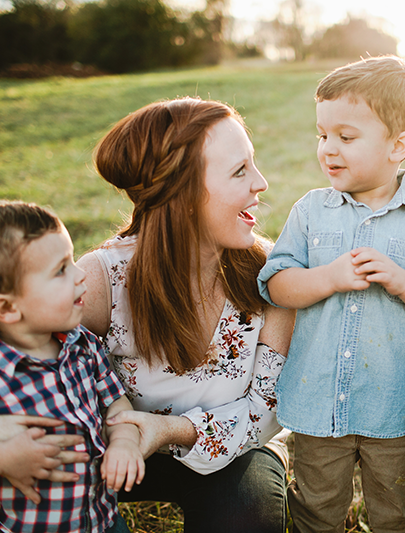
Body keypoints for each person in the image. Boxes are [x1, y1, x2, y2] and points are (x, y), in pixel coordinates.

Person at [257, 55, 405, 532]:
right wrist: (328, 278)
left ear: (399, 145)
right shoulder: (311, 211)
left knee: (396, 512)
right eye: (322, 135)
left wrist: (402, 280)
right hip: (316, 399)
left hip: (389, 404)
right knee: (316, 509)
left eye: (346, 137)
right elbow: (277, 284)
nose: (329, 149)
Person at [76, 97, 296, 533]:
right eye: (240, 170)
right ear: (183, 195)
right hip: (116, 448)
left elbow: (265, 414)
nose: (262, 182)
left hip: (235, 451)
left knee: (247, 511)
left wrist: (166, 430)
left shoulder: (274, 277)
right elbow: (21, 364)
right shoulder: (103, 279)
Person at [0, 201, 143, 533]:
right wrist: (2, 458)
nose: (80, 274)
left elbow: (115, 403)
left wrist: (124, 441)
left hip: (100, 517)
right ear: (7, 308)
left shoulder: (82, 343)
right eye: (61, 269)